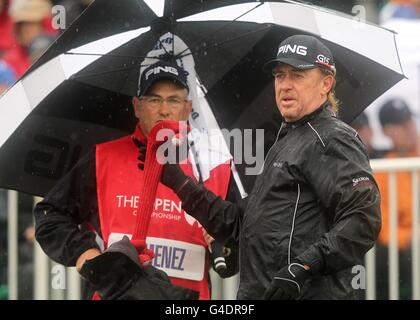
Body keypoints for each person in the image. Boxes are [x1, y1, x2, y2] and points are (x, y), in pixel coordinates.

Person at [152, 35, 382, 300]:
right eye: (279, 75)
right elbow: (241, 224)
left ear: (326, 83)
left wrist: (304, 266)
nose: (284, 85)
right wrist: (178, 181)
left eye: (297, 75)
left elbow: (363, 220)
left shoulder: (332, 138)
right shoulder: (287, 139)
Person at [34, 60, 238, 300]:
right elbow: (50, 216)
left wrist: (225, 247)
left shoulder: (216, 166)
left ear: (187, 108)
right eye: (154, 99)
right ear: (137, 106)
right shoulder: (103, 158)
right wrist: (84, 252)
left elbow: (237, 249)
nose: (164, 109)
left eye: (174, 100)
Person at [374, 98, 419, 299]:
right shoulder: (382, 172)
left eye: (409, 120)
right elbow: (383, 225)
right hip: (409, 250)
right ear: (385, 131)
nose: (409, 128)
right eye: (400, 124)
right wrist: (410, 239)